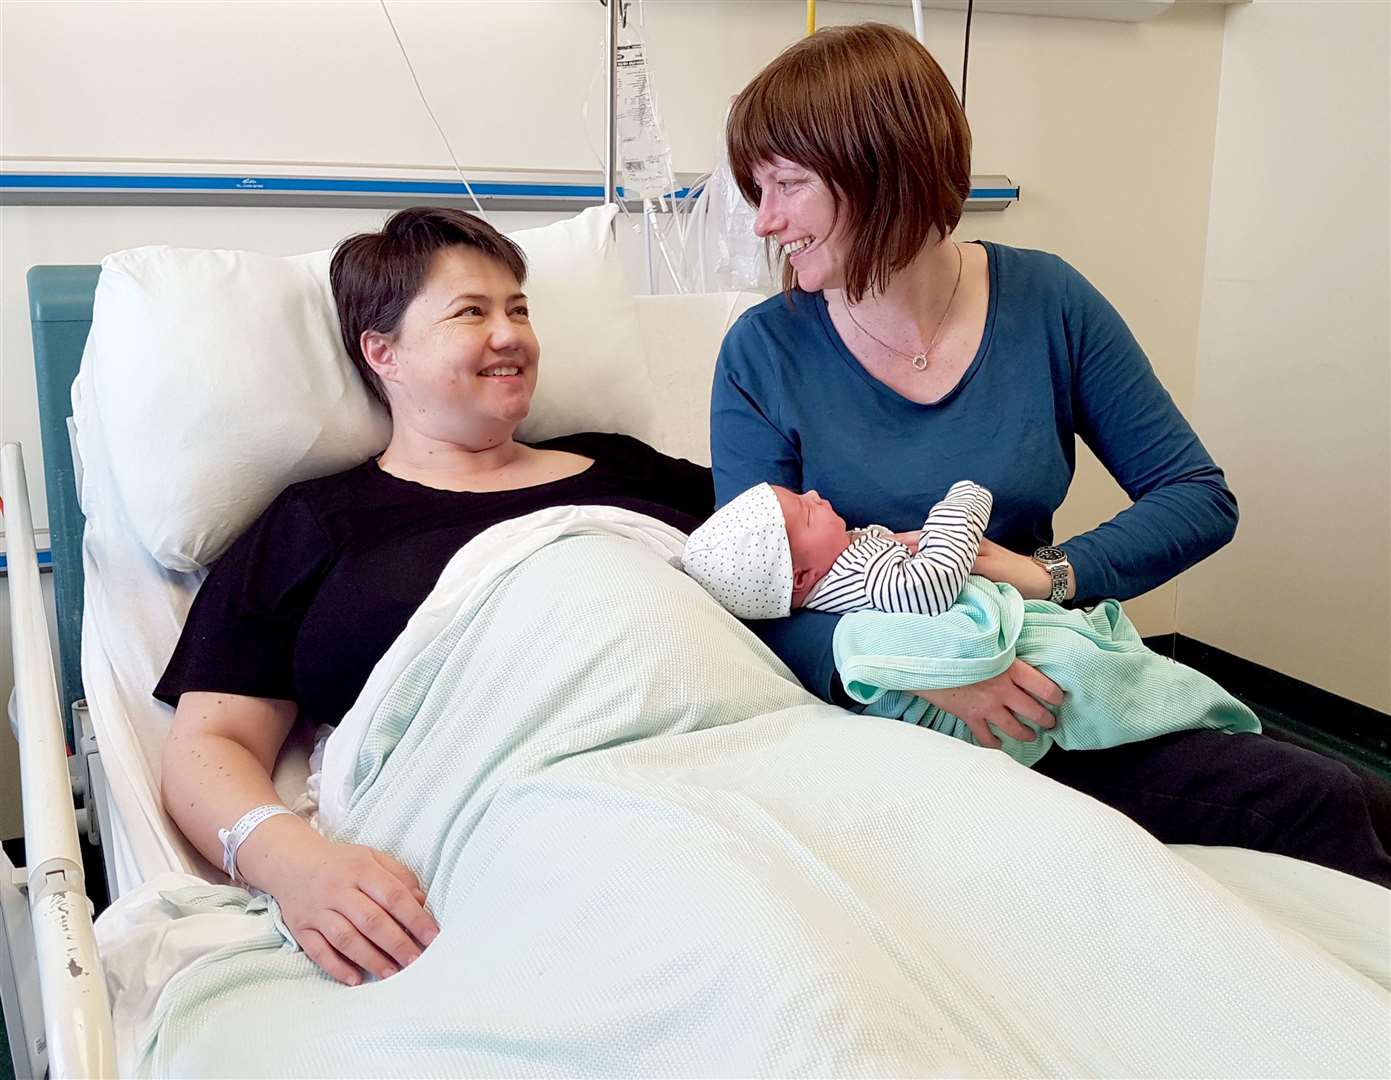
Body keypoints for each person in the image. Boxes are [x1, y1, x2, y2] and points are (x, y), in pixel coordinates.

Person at [709, 22, 1391, 885]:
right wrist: (919, 673)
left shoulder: (1047, 302)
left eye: (786, 186)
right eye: (756, 189)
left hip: (1048, 671)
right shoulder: (763, 353)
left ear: (881, 167)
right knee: (1317, 799)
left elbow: (1195, 495)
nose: (765, 222)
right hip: (906, 724)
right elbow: (755, 602)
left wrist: (1053, 574)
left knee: (1360, 795)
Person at [156, 207, 715, 985]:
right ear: (382, 352)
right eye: (471, 313)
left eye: (518, 309)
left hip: (714, 773)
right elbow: (207, 745)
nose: (510, 334)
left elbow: (782, 549)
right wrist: (299, 869)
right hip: (511, 835)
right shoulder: (316, 524)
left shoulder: (624, 469)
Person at [681, 480, 1259, 767]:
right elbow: (929, 587)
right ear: (802, 579)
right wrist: (961, 505)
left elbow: (1201, 499)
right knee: (1090, 670)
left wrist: (1047, 574)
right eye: (805, 510)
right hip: (1008, 672)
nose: (814, 493)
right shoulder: (851, 576)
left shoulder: (843, 557)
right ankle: (1199, 710)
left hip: (1026, 607)